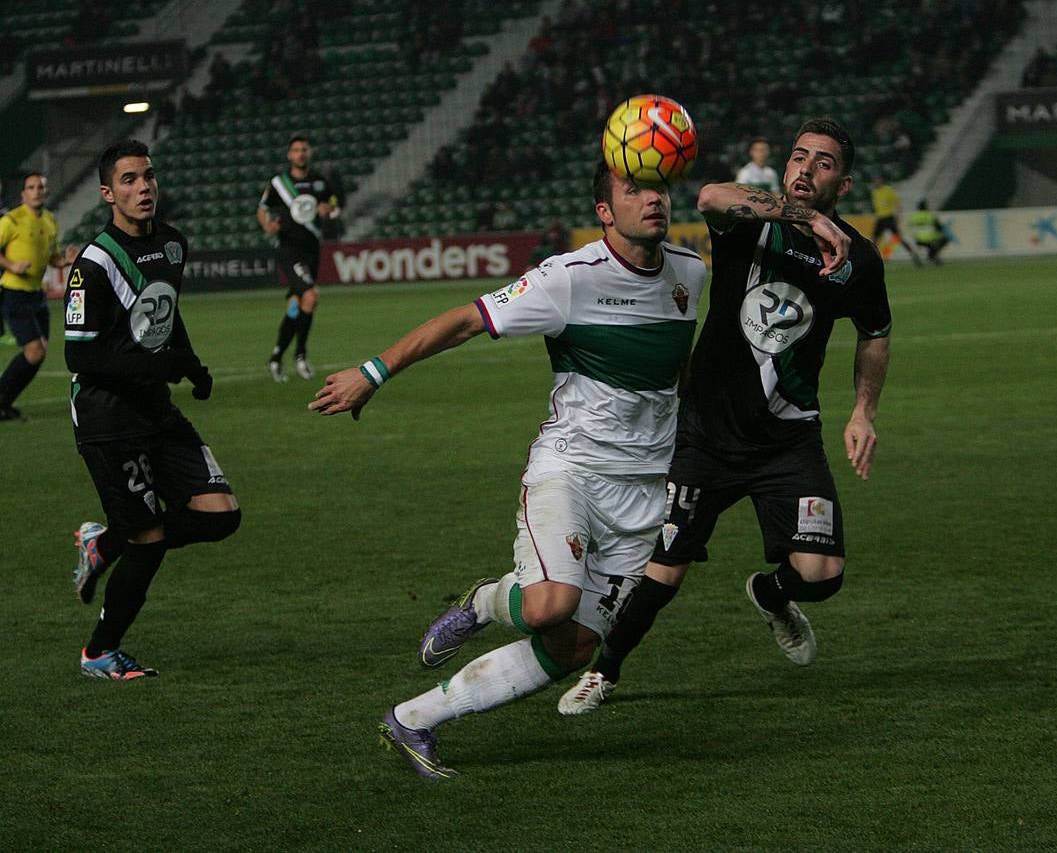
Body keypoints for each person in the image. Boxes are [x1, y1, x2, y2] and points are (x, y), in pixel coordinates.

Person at [309, 161, 707, 779]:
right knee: (550, 603)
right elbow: (467, 320)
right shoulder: (568, 278)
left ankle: (412, 718)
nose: (653, 200)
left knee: (573, 645)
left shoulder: (690, 271)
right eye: (635, 190)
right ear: (605, 212)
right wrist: (373, 373)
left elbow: (675, 369)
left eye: (659, 188)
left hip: (646, 493)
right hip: (571, 470)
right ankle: (489, 600)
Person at [557, 117, 891, 715]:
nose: (805, 170)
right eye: (799, 157)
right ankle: (604, 674)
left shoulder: (857, 261)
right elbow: (711, 194)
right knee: (667, 568)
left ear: (843, 183)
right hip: (707, 433)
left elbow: (875, 332)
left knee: (823, 572)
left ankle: (769, 592)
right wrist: (804, 217)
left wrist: (863, 411)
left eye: (823, 163)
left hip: (788, 438)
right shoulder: (750, 224)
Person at [64, 138, 241, 680]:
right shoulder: (92, 264)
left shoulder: (171, 244)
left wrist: (191, 365)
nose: (143, 187)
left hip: (155, 409)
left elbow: (164, 314)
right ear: (106, 194)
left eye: (148, 177)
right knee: (150, 540)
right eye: (129, 181)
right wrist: (154, 368)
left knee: (221, 514)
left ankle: (106, 539)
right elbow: (80, 351)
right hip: (107, 418)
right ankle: (100, 652)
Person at [257, 134, 341, 381]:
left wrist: (329, 210)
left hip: (312, 250)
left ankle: (275, 357)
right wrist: (268, 226)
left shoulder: (319, 182)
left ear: (309, 153)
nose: (300, 153)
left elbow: (334, 206)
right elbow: (262, 210)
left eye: (304, 149)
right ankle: (301, 355)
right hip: (290, 249)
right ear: (289, 155)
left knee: (296, 306)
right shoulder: (279, 183)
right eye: (296, 150)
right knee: (311, 296)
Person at [0, 172, 72, 421]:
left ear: (46, 191)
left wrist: (65, 261)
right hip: (14, 293)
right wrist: (10, 265)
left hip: (37, 296)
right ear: (23, 194)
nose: (36, 191)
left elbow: (53, 257)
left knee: (39, 354)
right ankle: (1, 401)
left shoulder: (50, 220)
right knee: (34, 352)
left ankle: (4, 403)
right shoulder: (11, 220)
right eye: (31, 187)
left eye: (40, 187)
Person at [869, 173, 922, 267]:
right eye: (875, 181)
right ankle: (873, 260)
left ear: (882, 181)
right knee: (874, 240)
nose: (876, 182)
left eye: (878, 180)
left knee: (898, 238)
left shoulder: (888, 190)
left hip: (889, 217)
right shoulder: (874, 192)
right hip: (880, 218)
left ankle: (914, 255)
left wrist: (898, 217)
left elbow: (897, 204)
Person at [908, 198, 948, 265]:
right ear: (926, 207)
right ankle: (932, 257)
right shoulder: (930, 215)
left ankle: (929, 257)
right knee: (945, 239)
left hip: (918, 239)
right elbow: (939, 228)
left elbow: (910, 228)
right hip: (930, 238)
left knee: (930, 245)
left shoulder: (914, 216)